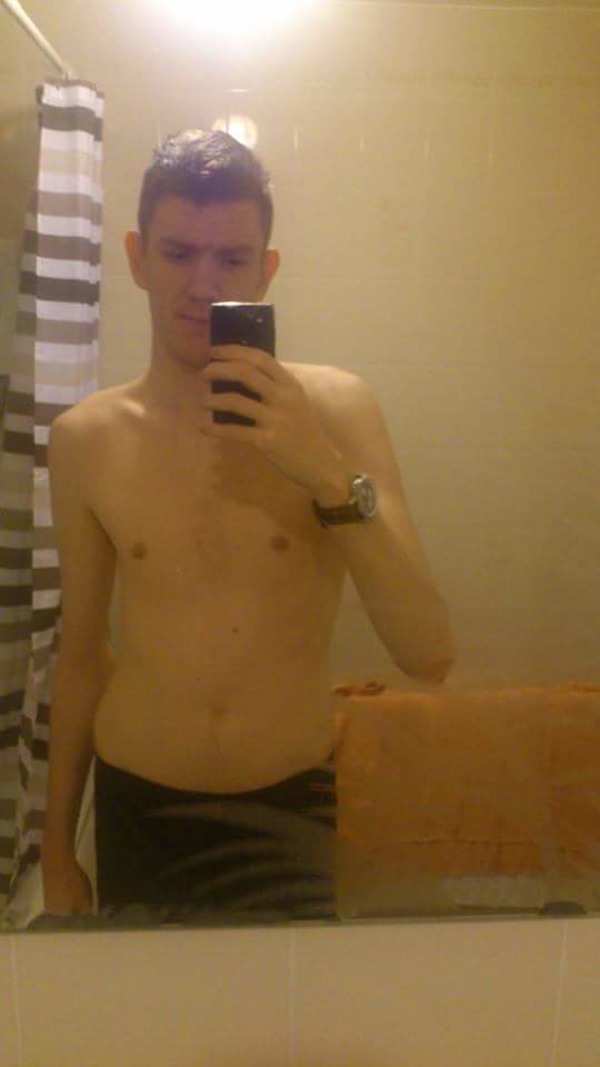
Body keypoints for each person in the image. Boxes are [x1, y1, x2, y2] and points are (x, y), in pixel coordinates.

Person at [40, 129, 455, 922]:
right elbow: (82, 658)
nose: (202, 284)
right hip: (137, 803)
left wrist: (322, 471)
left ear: (267, 268)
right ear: (136, 257)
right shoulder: (85, 439)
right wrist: (56, 850)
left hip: (288, 803)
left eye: (231, 259)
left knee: (288, 1007)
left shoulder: (336, 410)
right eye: (177, 253)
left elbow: (428, 652)